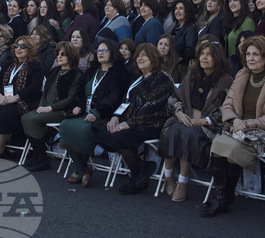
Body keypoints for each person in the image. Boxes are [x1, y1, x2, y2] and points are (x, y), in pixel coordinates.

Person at [202, 36, 265, 217]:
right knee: (219, 143)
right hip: (237, 128)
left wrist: (249, 124)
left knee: (229, 147)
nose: (250, 58)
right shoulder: (242, 76)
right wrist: (235, 120)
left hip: (264, 133)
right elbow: (227, 104)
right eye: (248, 54)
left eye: (255, 54)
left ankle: (223, 197)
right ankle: (223, 197)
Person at [95, 42, 174, 195]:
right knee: (104, 129)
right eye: (138, 56)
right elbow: (126, 102)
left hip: (154, 123)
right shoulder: (138, 79)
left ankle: (136, 176)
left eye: (144, 55)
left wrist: (129, 123)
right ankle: (142, 167)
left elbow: (151, 106)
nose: (139, 59)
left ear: (154, 58)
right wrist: (115, 117)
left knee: (119, 135)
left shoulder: (162, 78)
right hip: (135, 122)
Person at [159, 38, 233, 202]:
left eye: (209, 54)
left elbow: (228, 108)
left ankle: (182, 182)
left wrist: (205, 120)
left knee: (188, 134)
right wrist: (179, 112)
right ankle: (168, 176)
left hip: (209, 126)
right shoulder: (192, 74)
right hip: (184, 119)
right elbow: (173, 97)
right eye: (202, 54)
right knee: (172, 130)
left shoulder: (225, 80)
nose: (204, 57)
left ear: (218, 57)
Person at [60, 41, 129, 186]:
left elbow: (114, 98)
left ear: (112, 52)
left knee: (85, 130)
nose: (101, 53)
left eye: (104, 50)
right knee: (65, 125)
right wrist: (76, 106)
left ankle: (79, 170)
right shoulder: (91, 70)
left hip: (103, 114)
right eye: (98, 51)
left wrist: (96, 112)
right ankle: (83, 169)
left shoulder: (119, 73)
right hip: (83, 112)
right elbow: (79, 91)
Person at [0, 35, 45, 159]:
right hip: (3, 98)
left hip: (23, 101)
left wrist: (16, 97)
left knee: (4, 113)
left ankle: (1, 145)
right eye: (16, 46)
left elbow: (33, 88)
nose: (18, 49)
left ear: (30, 48)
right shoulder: (8, 64)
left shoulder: (36, 66)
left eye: (22, 46)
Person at [21, 41, 83, 171]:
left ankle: (42, 158)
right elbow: (45, 92)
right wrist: (41, 106)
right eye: (58, 54)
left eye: (63, 54)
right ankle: (37, 154)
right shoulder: (55, 71)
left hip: (62, 110)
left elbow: (70, 98)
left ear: (71, 56)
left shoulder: (76, 74)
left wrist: (50, 108)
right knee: (25, 118)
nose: (59, 57)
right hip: (46, 108)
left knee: (33, 120)